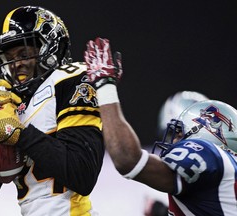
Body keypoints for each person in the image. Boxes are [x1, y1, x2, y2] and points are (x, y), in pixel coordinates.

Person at [0, 6, 104, 216]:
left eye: (24, 53)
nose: (16, 64)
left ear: (51, 48)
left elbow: (82, 174)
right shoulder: (6, 102)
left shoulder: (70, 80)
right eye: (9, 57)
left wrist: (18, 134)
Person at [84, 37, 237, 215]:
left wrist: (104, 86)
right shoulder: (226, 171)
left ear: (209, 130)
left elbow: (127, 159)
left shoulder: (208, 153)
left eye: (178, 133)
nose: (174, 143)